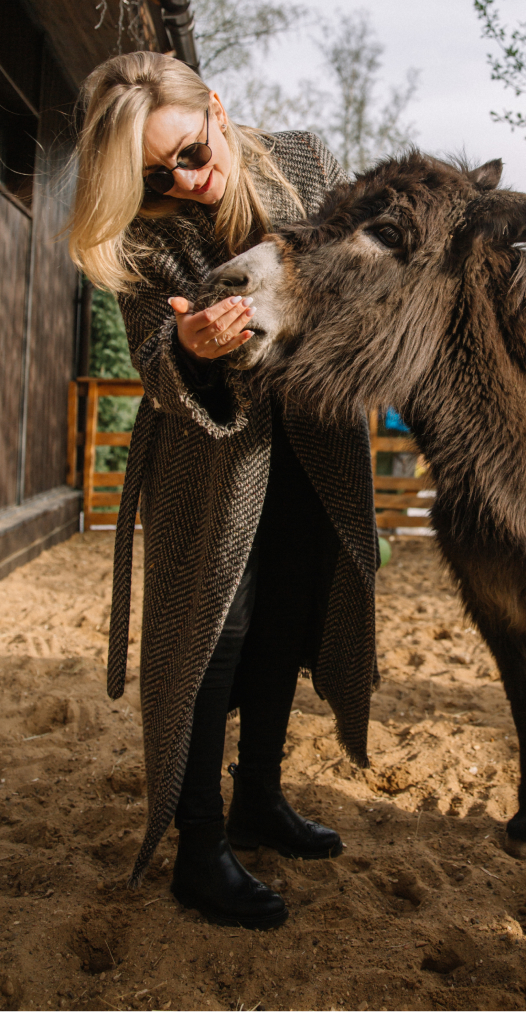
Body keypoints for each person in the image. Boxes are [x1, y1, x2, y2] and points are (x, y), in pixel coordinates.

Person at [67, 52, 378, 930]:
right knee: (215, 637)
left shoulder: (307, 163)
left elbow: (360, 287)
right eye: (156, 175)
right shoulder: (141, 231)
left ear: (216, 107)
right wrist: (193, 352)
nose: (185, 183)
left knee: (289, 614)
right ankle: (200, 850)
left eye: (193, 155)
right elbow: (152, 367)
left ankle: (260, 800)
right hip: (212, 468)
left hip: (315, 446)